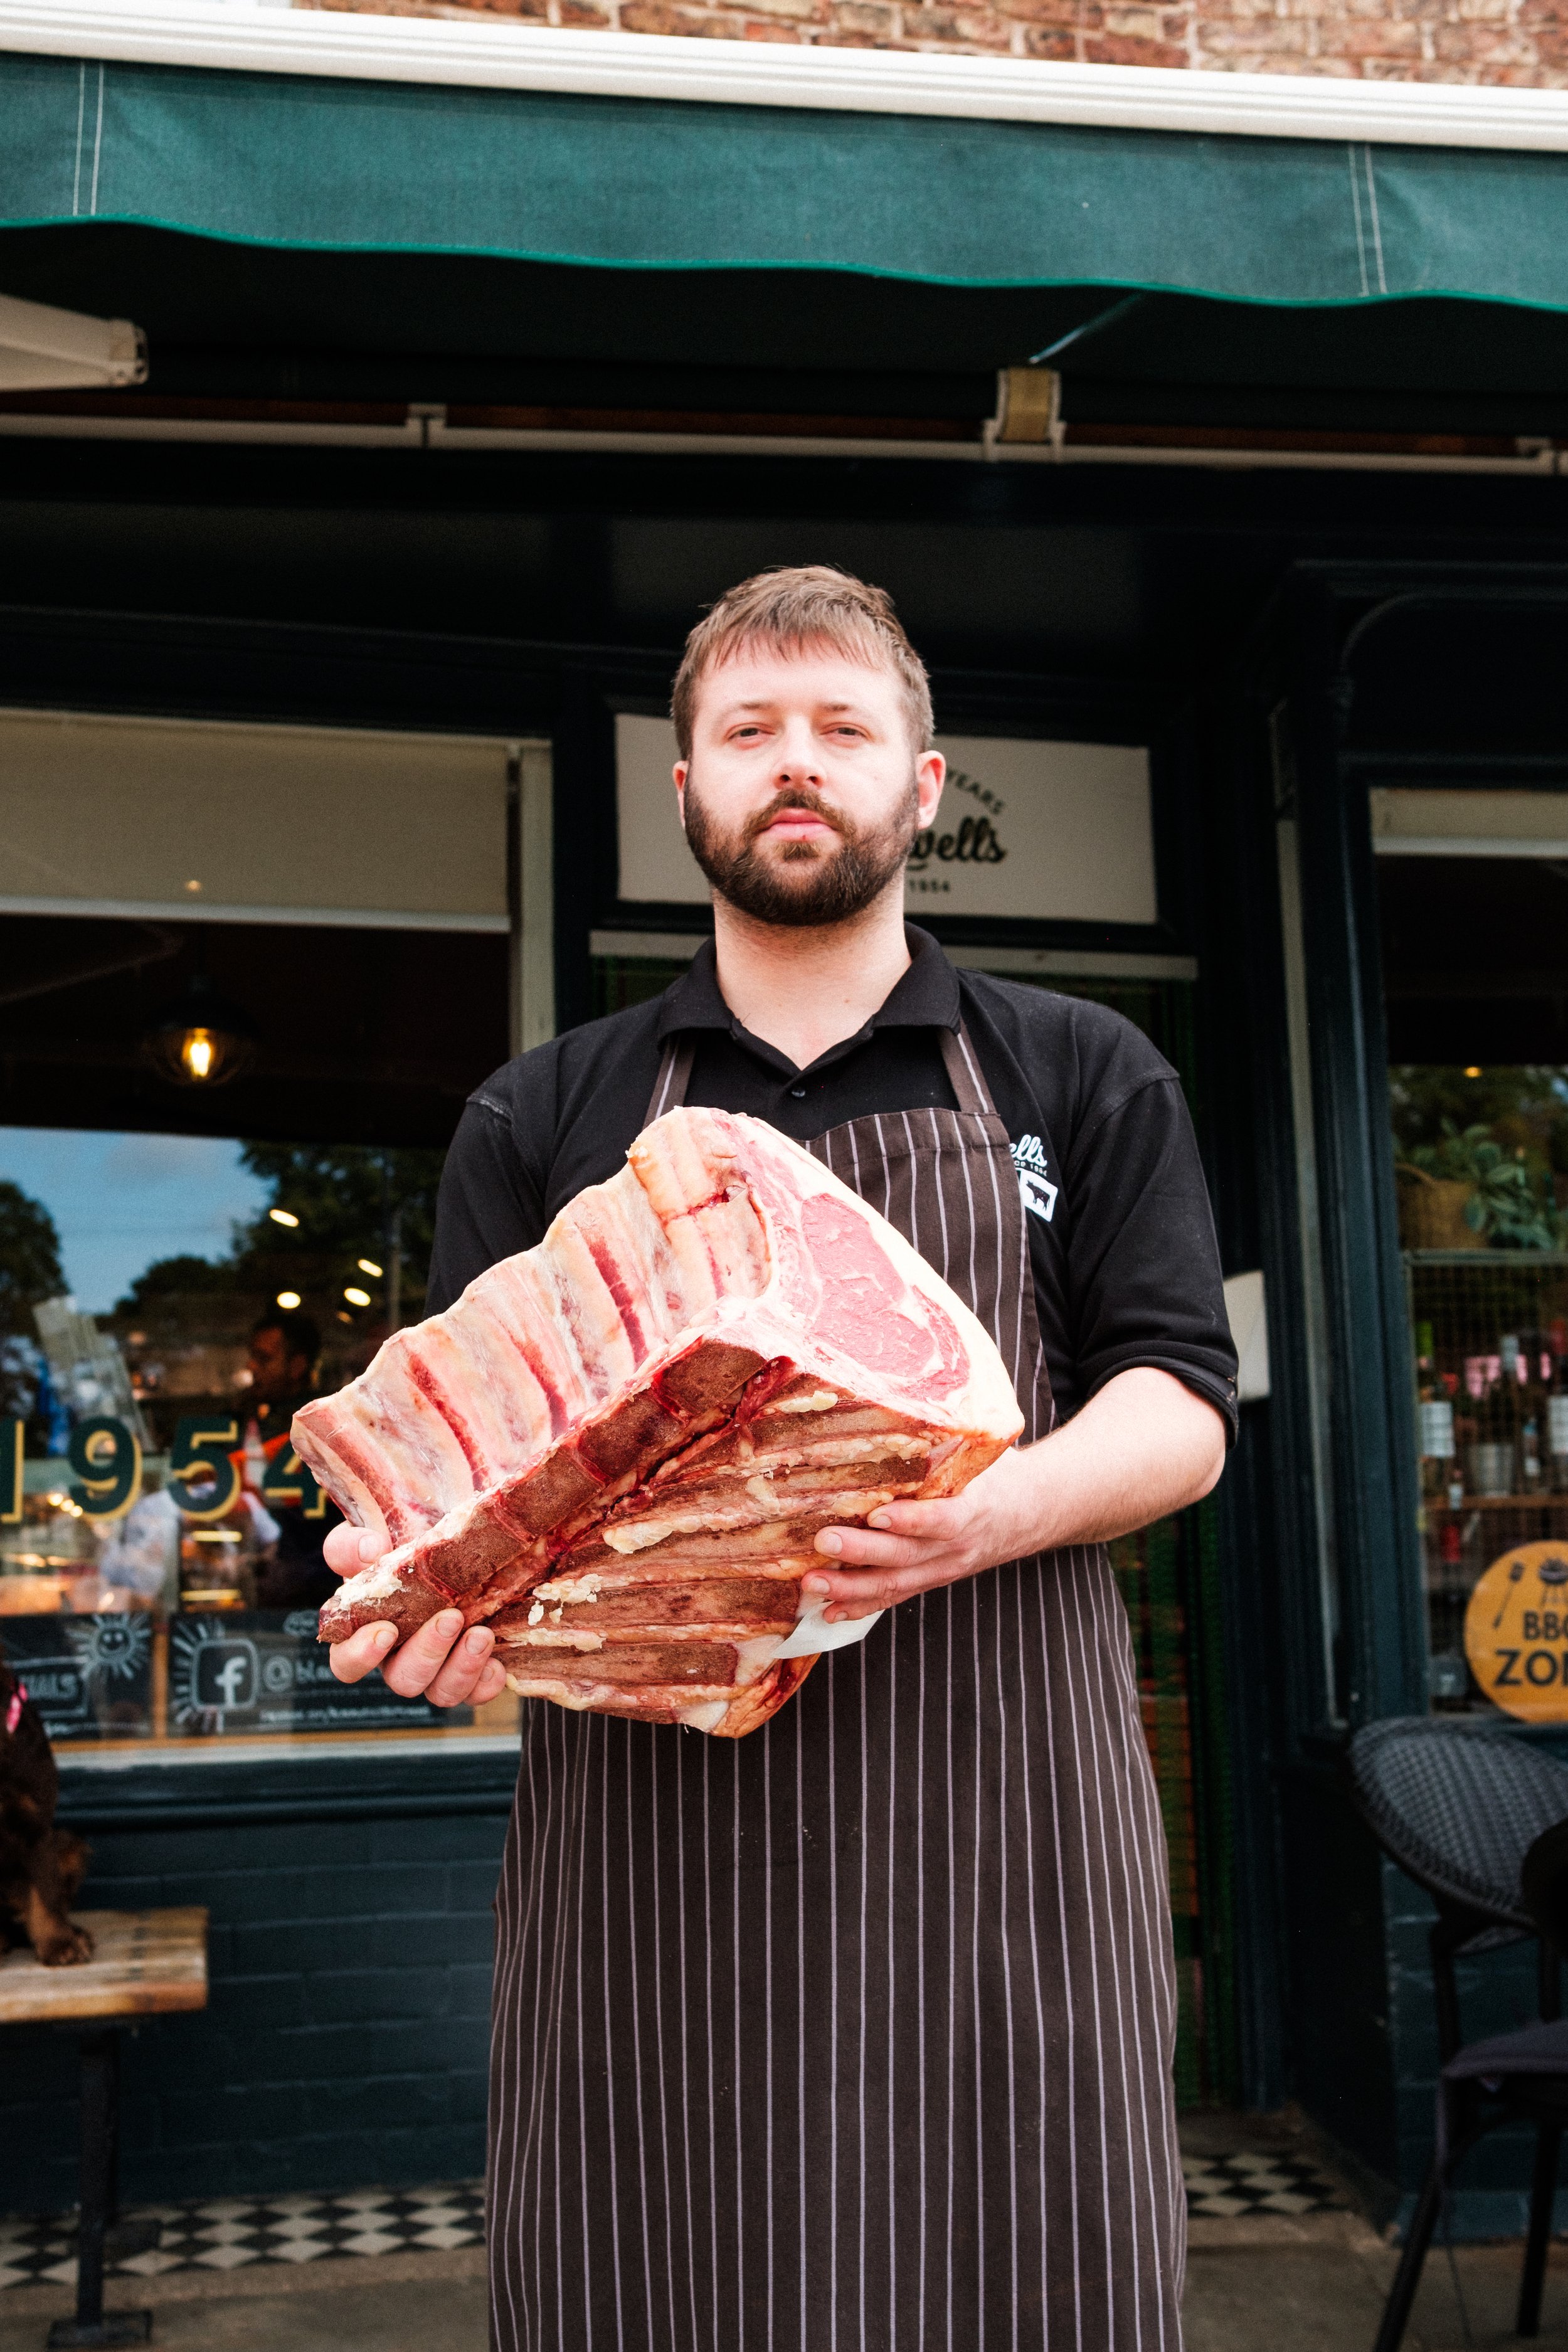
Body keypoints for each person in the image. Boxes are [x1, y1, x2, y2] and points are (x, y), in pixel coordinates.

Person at [327, 567, 1236, 2349]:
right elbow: (462, 1486)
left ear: (922, 782)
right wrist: (441, 1626)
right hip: (649, 1869)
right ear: (685, 793)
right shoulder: (548, 1110)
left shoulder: (1077, 1069)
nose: (793, 764)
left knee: (1024, 2277)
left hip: (1001, 1834)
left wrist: (990, 1512)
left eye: (841, 729)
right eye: (747, 732)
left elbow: (1180, 1403)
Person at [240, 1310, 339, 1612]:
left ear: (297, 1365)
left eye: (264, 1358)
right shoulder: (257, 1415)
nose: (252, 1367)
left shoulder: (318, 1423)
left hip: (317, 1575)